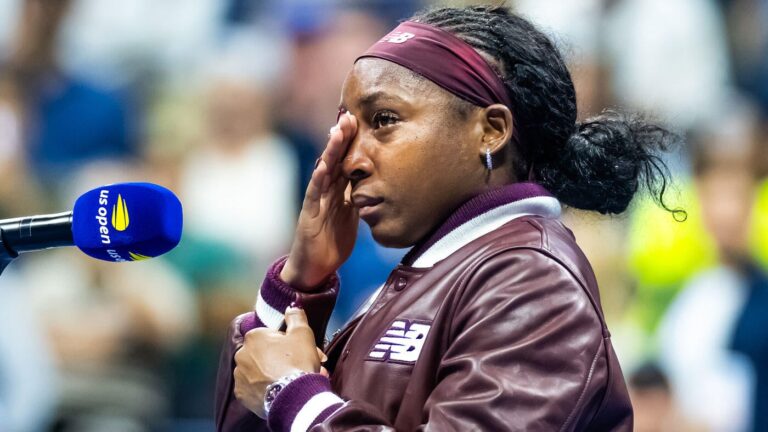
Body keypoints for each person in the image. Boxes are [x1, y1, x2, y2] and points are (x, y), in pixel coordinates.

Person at [215, 5, 679, 431]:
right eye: (347, 129)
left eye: (383, 120)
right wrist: (299, 285)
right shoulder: (434, 274)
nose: (349, 159)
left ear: (491, 131)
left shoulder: (533, 280)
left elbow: (291, 404)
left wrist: (293, 394)